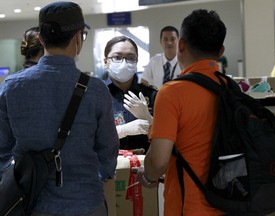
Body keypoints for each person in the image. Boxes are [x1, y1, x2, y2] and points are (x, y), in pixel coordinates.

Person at [0, 2, 119, 216]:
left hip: (32, 204)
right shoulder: (96, 90)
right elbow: (108, 151)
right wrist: (100, 176)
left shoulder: (12, 87)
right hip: (87, 202)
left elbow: (1, 149)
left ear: (41, 38)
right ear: (77, 38)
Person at [134, 9, 227, 215]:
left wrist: (148, 176)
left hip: (188, 205)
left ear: (181, 45)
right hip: (232, 202)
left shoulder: (172, 92)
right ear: (221, 51)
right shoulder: (232, 90)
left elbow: (158, 162)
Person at [103, 36, 157, 153]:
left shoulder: (151, 95)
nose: (124, 62)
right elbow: (86, 137)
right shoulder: (96, 94)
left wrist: (149, 119)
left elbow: (165, 140)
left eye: (130, 58)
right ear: (106, 62)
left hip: (145, 166)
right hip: (107, 167)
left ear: (137, 61)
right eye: (117, 57)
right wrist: (122, 131)